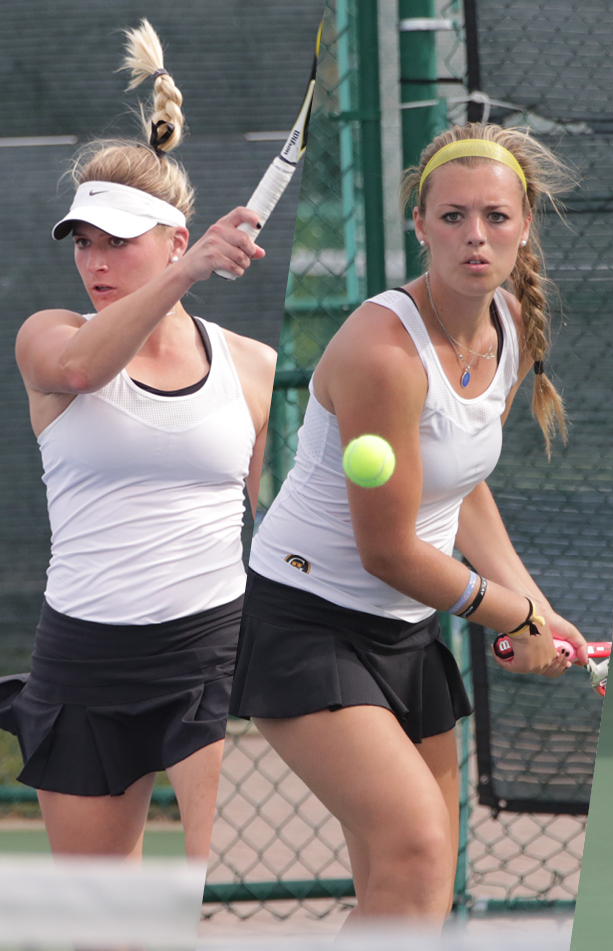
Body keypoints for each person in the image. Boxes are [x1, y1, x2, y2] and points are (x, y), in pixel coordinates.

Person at [228, 123, 587, 927]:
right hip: (306, 624)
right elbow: (388, 548)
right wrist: (511, 612)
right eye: (453, 216)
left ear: (525, 223)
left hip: (406, 633)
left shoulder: (511, 324)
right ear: (419, 224)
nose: (475, 236)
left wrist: (537, 605)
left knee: (409, 894)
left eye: (496, 216)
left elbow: (461, 489)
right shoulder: (383, 353)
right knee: (419, 849)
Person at [0, 21, 274, 860]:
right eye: (84, 240)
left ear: (174, 240)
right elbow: (84, 370)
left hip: (211, 650)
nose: (97, 260)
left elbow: (255, 510)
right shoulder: (48, 337)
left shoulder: (252, 365)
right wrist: (188, 279)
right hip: (81, 655)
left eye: (119, 240)